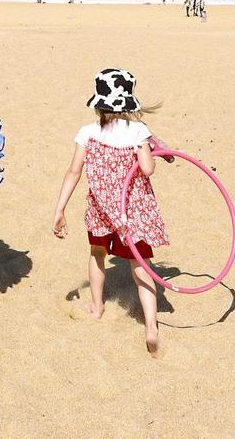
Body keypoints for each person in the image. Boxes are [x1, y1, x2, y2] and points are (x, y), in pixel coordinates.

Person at [51, 69, 168, 357]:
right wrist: (148, 147)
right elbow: (148, 169)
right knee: (141, 266)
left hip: (101, 208)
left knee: (97, 253)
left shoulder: (88, 132)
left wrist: (60, 208)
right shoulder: (138, 131)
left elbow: (73, 172)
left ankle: (96, 307)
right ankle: (151, 327)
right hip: (133, 210)